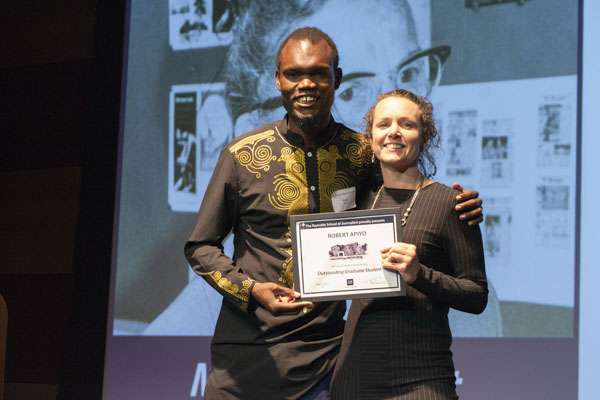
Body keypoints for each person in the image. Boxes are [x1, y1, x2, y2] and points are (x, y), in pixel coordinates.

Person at [184, 27, 483, 399]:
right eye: (293, 74)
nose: (305, 84)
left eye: (318, 73)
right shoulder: (242, 156)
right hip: (244, 363)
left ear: (336, 79)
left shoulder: (360, 154)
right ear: (277, 80)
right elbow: (200, 246)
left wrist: (461, 204)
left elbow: (407, 197)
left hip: (326, 364)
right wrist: (251, 289)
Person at [330, 90, 488, 399]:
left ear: (424, 139)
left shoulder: (451, 204)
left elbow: (477, 295)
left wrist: (420, 274)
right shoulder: (354, 202)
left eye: (406, 124)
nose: (394, 132)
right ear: (371, 138)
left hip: (422, 379)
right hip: (355, 376)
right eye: (383, 124)